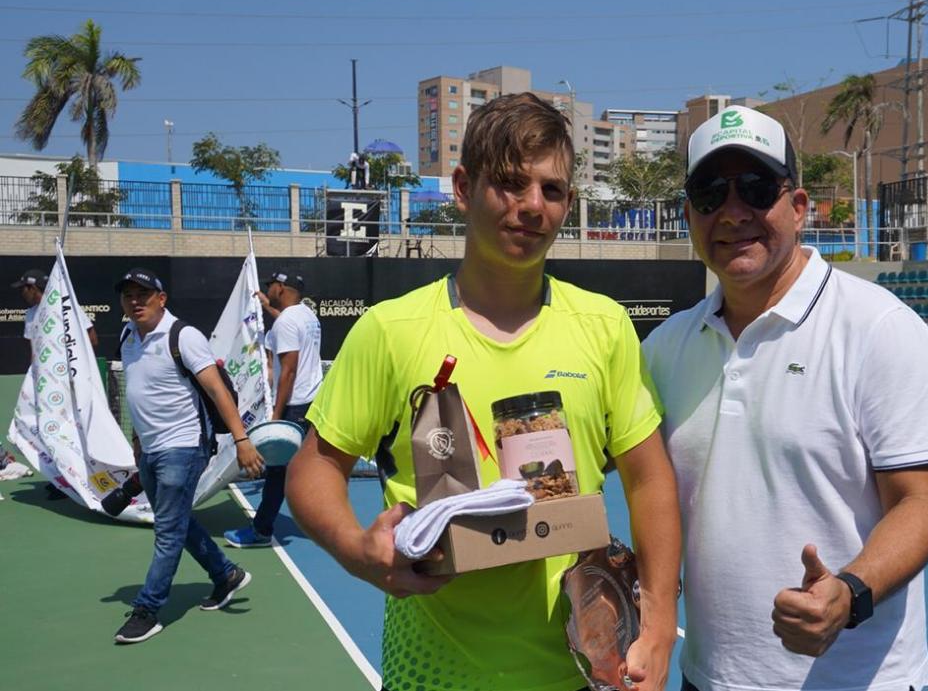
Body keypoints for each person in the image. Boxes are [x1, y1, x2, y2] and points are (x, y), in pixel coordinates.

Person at [286, 92, 681, 691]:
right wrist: (355, 549)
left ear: (568, 204)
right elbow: (313, 470)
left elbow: (649, 479)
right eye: (511, 184)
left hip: (581, 674)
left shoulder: (604, 327)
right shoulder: (392, 331)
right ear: (464, 188)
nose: (532, 206)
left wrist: (656, 626)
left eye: (551, 191)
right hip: (434, 674)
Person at [642, 106, 928, 691]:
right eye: (710, 194)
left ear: (799, 207)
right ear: (690, 215)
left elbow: (920, 505)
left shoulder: (880, 327)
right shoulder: (665, 348)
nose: (733, 213)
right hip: (706, 678)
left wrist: (849, 593)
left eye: (757, 188)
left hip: (857, 680)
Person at [113, 267, 265, 644]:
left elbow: (217, 392)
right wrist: (137, 439)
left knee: (167, 528)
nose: (135, 302)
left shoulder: (184, 336)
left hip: (184, 447)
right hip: (149, 448)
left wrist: (242, 441)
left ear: (161, 299)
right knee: (177, 520)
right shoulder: (127, 334)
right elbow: (140, 391)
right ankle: (225, 574)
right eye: (128, 295)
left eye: (143, 295)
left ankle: (149, 609)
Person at [224, 270, 322, 548]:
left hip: (293, 406)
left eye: (272, 286)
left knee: (278, 471)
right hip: (311, 402)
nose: (270, 288)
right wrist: (267, 306)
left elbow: (287, 371)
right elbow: (288, 327)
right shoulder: (306, 315)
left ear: (281, 287)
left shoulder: (287, 323)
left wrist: (276, 418)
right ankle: (319, 523)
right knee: (304, 470)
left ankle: (262, 531)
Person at [13, 268, 98, 361]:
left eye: (23, 289)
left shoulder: (68, 306)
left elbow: (92, 339)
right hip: (46, 371)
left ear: (33, 288)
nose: (22, 293)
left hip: (71, 369)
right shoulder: (30, 313)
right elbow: (34, 351)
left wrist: (78, 363)